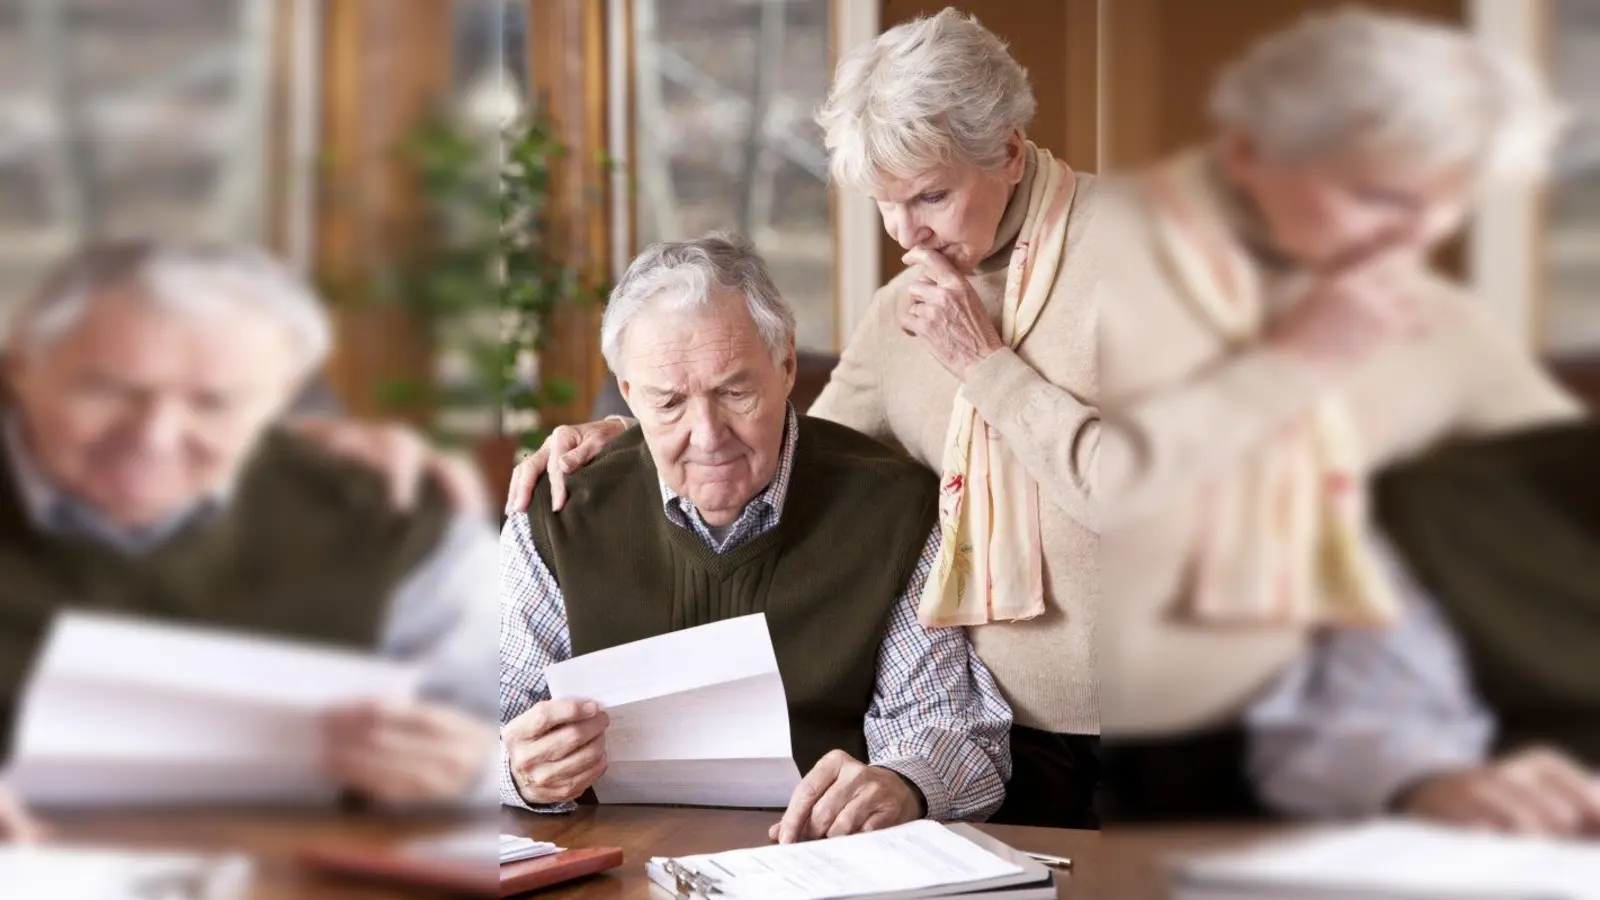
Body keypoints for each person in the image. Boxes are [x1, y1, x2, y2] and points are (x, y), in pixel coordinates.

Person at [503, 8, 1101, 828]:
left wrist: (986, 366)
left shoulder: (1131, 258)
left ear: (1007, 147)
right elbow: (783, 439)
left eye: (930, 194)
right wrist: (630, 440)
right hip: (1029, 743)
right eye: (884, 203)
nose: (905, 234)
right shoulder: (904, 311)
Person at [1095, 7, 1589, 824]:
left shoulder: (1437, 322)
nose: (1417, 236)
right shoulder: (1079, 255)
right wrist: (1297, 362)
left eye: (1449, 206)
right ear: (1247, 150)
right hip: (1047, 746)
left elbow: (1549, 516)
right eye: (1378, 197)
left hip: (1305, 764)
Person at [499, 233, 1013, 843]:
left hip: (819, 863)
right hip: (608, 865)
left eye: (735, 392)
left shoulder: (894, 509)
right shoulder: (559, 511)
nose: (707, 435)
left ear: (787, 365)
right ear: (630, 395)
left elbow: (952, 730)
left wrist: (906, 784)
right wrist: (514, 770)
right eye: (669, 403)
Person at [0, 241, 498, 825]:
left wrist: (477, 769)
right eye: (108, 390)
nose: (155, 436)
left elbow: (512, 732)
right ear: (21, 366)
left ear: (280, 398)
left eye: (213, 403)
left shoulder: (387, 512)